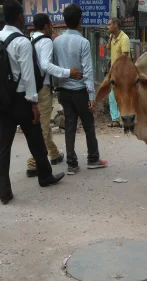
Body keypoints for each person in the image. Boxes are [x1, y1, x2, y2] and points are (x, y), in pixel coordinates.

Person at [0, 0, 64, 205]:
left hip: (2, 99)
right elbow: (28, 75)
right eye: (23, 14)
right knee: (36, 141)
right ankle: (45, 177)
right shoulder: (21, 42)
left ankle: (3, 191)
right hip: (21, 99)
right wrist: (34, 103)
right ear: (19, 17)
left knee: (3, 147)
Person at [25, 13, 83, 178]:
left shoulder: (30, 41)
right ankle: (32, 163)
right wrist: (68, 73)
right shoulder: (45, 41)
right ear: (45, 26)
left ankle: (54, 153)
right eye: (50, 24)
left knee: (43, 122)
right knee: (42, 127)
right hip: (43, 88)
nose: (51, 27)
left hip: (32, 88)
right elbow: (45, 65)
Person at [53, 4, 107, 175]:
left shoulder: (57, 41)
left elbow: (54, 67)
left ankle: (71, 164)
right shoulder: (83, 42)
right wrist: (91, 95)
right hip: (80, 91)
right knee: (88, 125)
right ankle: (93, 158)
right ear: (80, 21)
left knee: (69, 126)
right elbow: (88, 70)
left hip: (64, 91)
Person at [107, 17, 130, 128]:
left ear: (116, 25)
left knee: (123, 96)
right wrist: (110, 40)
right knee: (112, 95)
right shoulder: (113, 38)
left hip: (122, 72)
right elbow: (108, 49)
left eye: (110, 24)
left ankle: (124, 118)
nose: (108, 27)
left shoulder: (124, 38)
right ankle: (115, 119)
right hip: (114, 72)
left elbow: (124, 57)